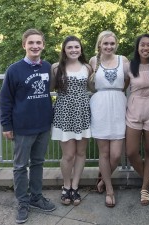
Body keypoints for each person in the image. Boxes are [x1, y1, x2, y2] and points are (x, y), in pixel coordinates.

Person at [0, 29, 56, 224]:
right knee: (20, 166)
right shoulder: (14, 70)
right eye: (31, 42)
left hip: (43, 125)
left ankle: (36, 197)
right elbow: (5, 100)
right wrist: (6, 125)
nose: (35, 46)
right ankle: (22, 202)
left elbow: (48, 93)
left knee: (38, 163)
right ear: (24, 45)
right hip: (22, 127)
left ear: (43, 45)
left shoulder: (47, 67)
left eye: (38, 42)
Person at [89, 30, 129, 208]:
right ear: (100, 45)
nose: (109, 47)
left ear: (116, 44)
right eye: (105, 43)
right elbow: (90, 83)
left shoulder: (123, 60)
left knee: (116, 154)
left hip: (119, 105)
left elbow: (127, 81)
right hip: (100, 106)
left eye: (112, 43)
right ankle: (109, 189)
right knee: (104, 153)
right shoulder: (93, 61)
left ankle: (103, 179)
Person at [50, 36, 92, 206]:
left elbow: (92, 88)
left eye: (77, 47)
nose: (74, 50)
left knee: (81, 153)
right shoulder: (56, 68)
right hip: (64, 113)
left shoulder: (88, 67)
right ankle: (66, 186)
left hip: (82, 112)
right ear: (64, 50)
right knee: (68, 155)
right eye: (70, 47)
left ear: (81, 49)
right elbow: (50, 88)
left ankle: (75, 187)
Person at [125, 34, 149, 206]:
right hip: (134, 109)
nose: (146, 48)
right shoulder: (129, 65)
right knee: (131, 151)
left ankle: (143, 188)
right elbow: (123, 86)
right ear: (138, 47)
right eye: (142, 45)